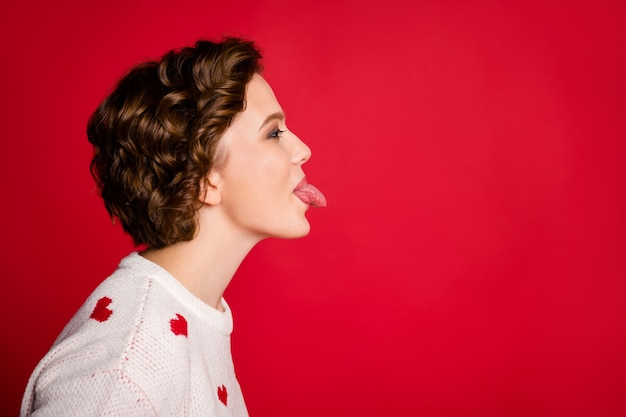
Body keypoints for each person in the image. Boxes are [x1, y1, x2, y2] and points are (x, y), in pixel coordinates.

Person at [20, 37, 326, 416]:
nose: (302, 149)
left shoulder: (191, 314)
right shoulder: (124, 365)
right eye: (273, 133)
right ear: (204, 179)